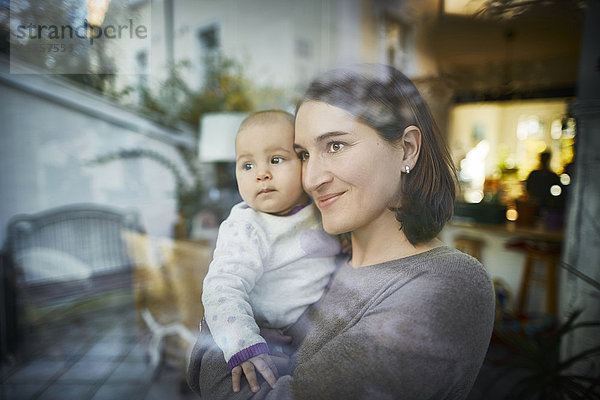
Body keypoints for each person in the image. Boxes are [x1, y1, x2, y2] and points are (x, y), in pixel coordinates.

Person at [188, 64, 495, 399]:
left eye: (335, 146)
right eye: (303, 154)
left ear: (406, 148)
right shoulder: (325, 257)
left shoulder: (447, 285)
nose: (311, 178)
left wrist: (214, 346)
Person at [200, 110, 341, 393]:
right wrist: (243, 344)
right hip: (264, 339)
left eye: (276, 160)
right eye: (247, 165)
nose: (262, 174)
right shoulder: (246, 226)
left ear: (304, 163)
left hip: (313, 333)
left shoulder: (320, 208)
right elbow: (222, 288)